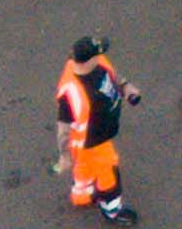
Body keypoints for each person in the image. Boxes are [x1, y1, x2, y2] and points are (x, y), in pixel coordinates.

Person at [56, 38, 138, 224]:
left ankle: (82, 195)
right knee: (109, 171)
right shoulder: (71, 93)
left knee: (84, 167)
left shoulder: (96, 63)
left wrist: (126, 87)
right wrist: (65, 155)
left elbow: (112, 76)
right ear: (88, 60)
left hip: (95, 136)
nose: (102, 55)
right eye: (98, 52)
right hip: (91, 141)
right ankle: (112, 210)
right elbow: (63, 129)